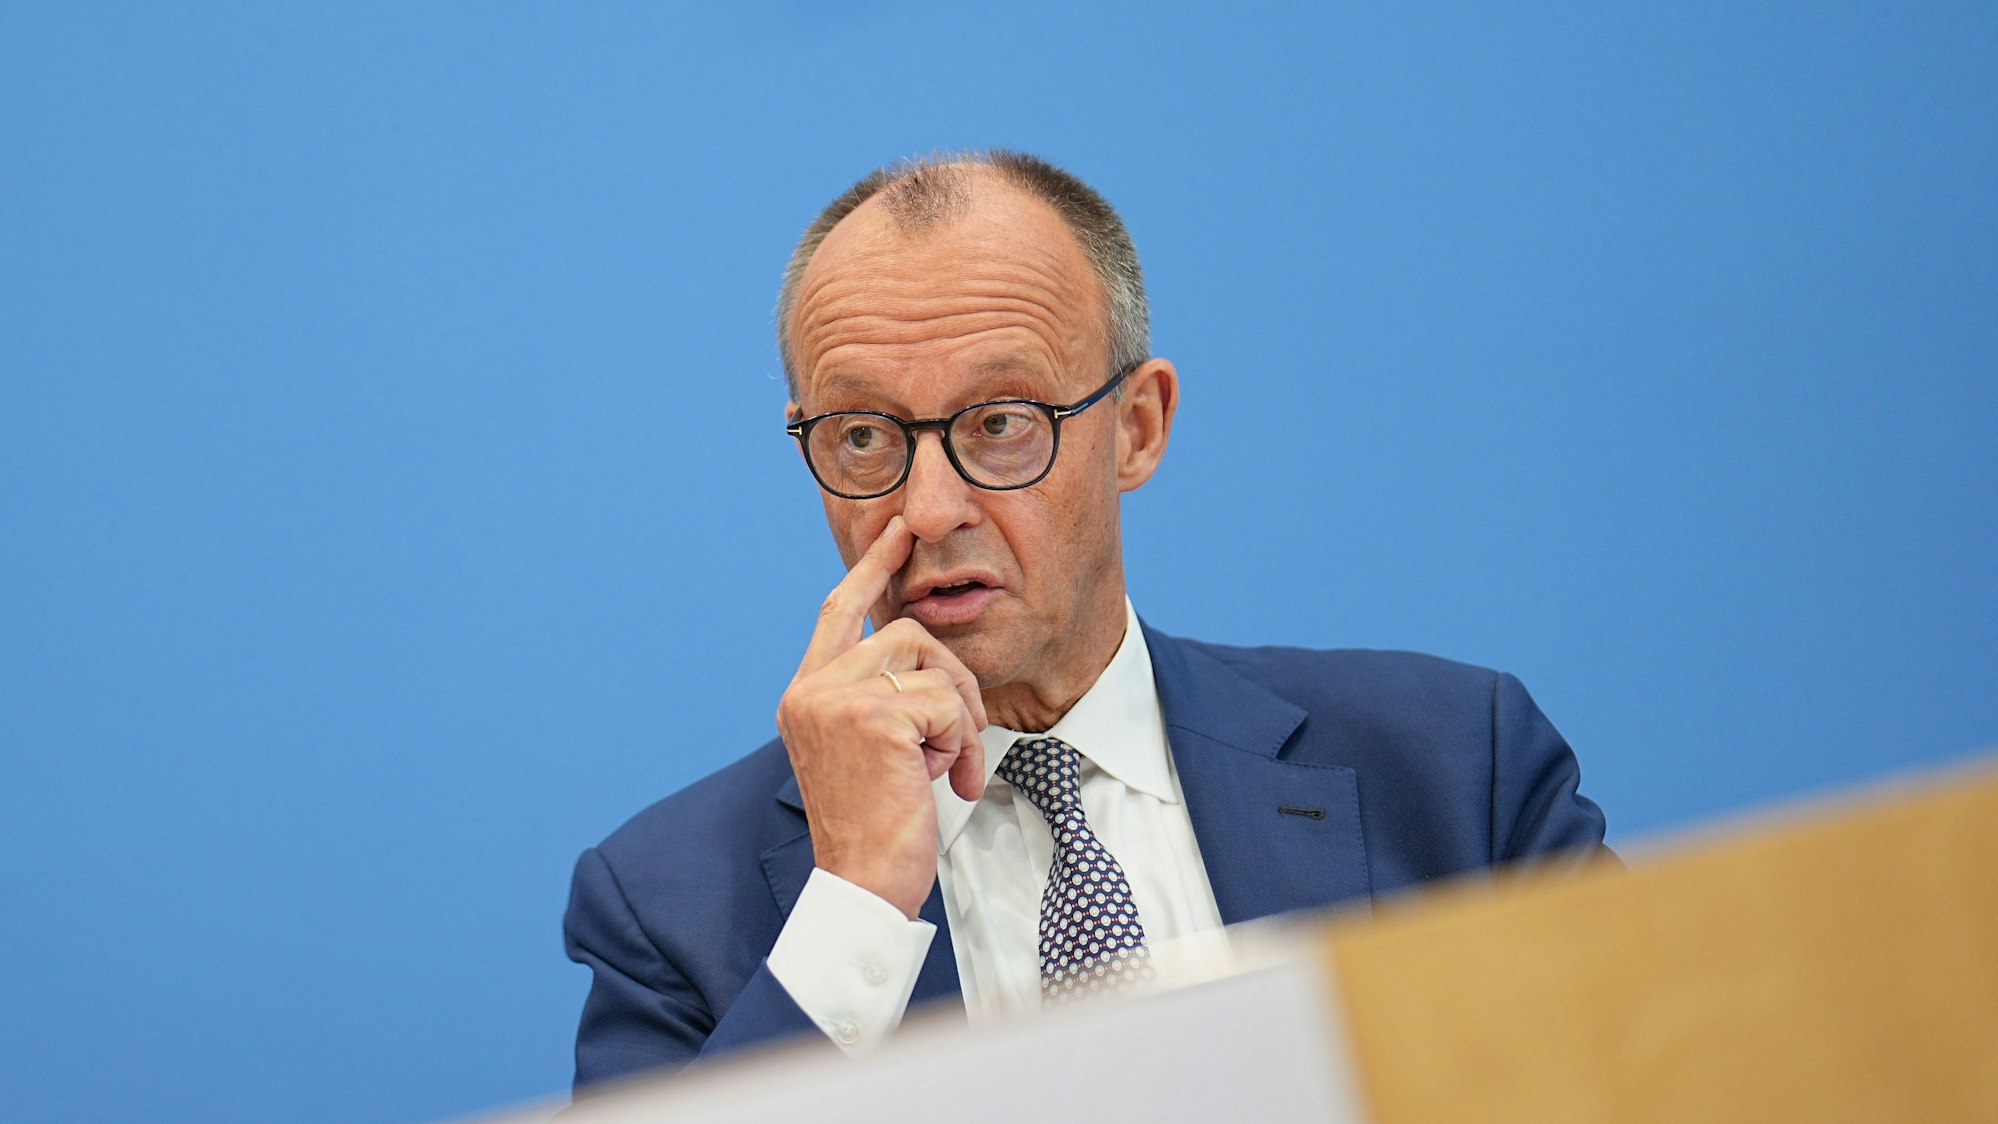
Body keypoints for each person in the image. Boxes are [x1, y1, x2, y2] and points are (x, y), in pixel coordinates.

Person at [563, 150, 1610, 1091]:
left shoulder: (1452, 771)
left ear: (1138, 428)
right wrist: (855, 905)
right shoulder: (668, 902)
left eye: (1003, 422)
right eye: (864, 436)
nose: (928, 509)